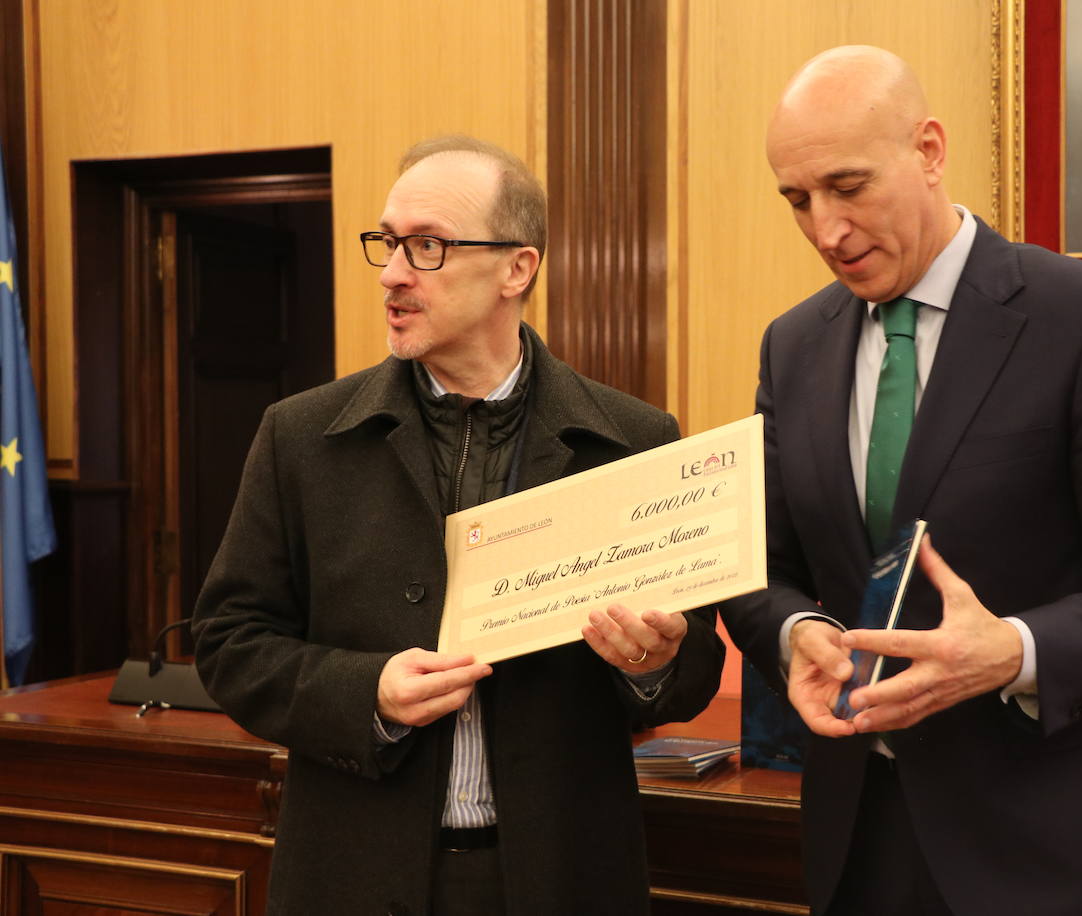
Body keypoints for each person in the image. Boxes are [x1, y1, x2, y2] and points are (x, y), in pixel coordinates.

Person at [720, 46, 1082, 915]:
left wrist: (1011, 653)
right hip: (859, 839)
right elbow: (761, 564)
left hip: (1051, 850)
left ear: (929, 150)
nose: (825, 230)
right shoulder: (791, 345)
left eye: (849, 186)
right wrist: (798, 630)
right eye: (797, 200)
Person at [192, 135, 724, 916]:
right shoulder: (301, 437)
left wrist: (652, 663)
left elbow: (694, 667)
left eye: (429, 246)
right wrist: (366, 689)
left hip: (558, 879)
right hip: (355, 876)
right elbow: (229, 643)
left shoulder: (632, 439)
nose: (394, 273)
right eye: (390, 242)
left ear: (518, 267)